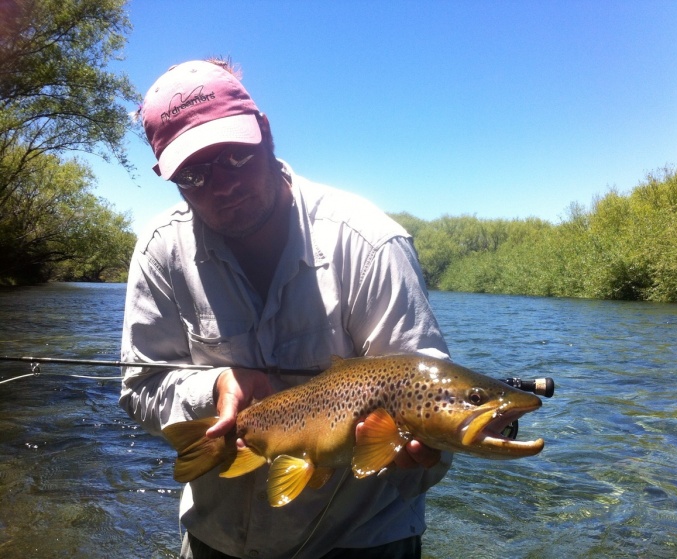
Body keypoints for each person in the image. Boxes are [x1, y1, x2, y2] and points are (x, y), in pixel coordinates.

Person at [120, 58, 451, 559]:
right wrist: (211, 389)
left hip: (360, 541)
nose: (223, 185)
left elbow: (432, 398)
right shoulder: (160, 252)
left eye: (234, 156)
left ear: (265, 133)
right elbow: (140, 389)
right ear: (169, 178)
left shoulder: (368, 243)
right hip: (217, 541)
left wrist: (423, 452)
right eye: (194, 175)